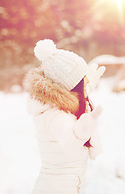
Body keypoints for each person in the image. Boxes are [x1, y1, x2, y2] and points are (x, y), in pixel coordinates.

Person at [24, 39, 105, 194]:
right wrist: (84, 127)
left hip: (63, 185)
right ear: (72, 86)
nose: (86, 82)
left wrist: (89, 83)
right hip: (57, 188)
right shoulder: (56, 116)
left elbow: (77, 95)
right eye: (83, 79)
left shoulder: (59, 106)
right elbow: (71, 142)